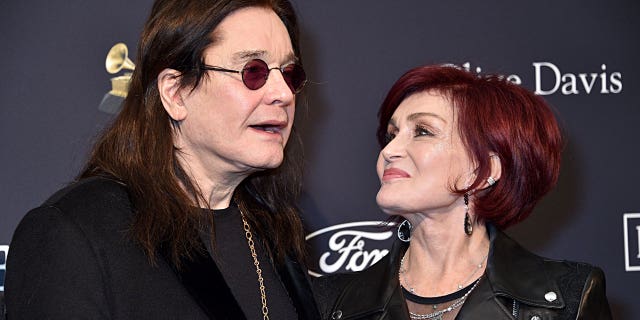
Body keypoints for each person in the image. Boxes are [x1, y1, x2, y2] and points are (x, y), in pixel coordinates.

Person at [5, 0, 319, 319]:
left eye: (290, 73)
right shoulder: (73, 234)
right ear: (175, 93)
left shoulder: (275, 229)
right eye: (254, 71)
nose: (283, 93)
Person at [314, 65, 612, 319]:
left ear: (484, 171)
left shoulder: (568, 300)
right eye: (392, 134)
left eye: (423, 131)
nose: (389, 150)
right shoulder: (334, 302)